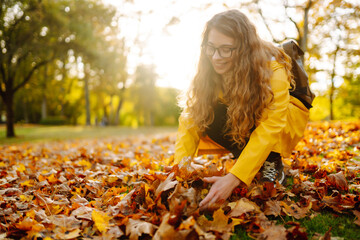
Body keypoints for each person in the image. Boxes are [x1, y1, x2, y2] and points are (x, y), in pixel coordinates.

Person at [173, 9, 310, 210]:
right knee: (204, 110)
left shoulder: (273, 70)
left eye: (226, 49)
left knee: (267, 133)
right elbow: (190, 119)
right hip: (244, 119)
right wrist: (181, 166)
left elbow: (270, 127)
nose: (216, 57)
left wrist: (234, 177)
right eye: (211, 47)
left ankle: (271, 160)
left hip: (280, 124)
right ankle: (247, 156)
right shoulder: (209, 66)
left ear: (245, 48)